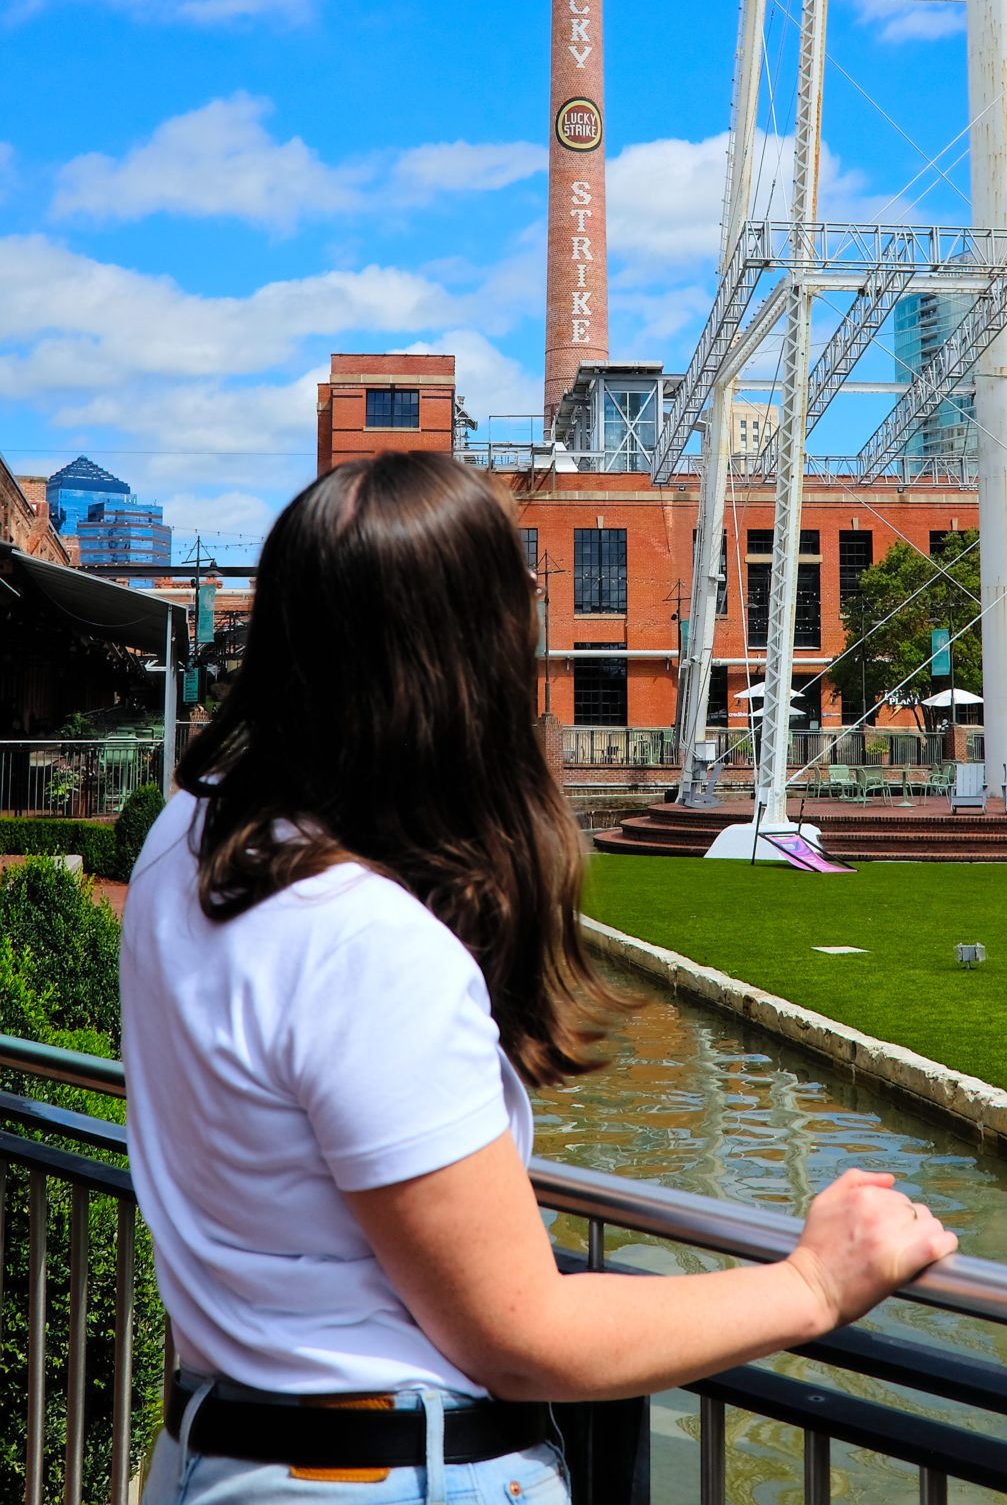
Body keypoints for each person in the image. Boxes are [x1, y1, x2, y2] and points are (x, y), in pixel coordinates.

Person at [122, 453, 956, 1505]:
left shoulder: (184, 840)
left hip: (214, 1453)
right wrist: (812, 1281)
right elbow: (522, 1333)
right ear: (476, 660)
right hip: (386, 1474)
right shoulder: (363, 940)